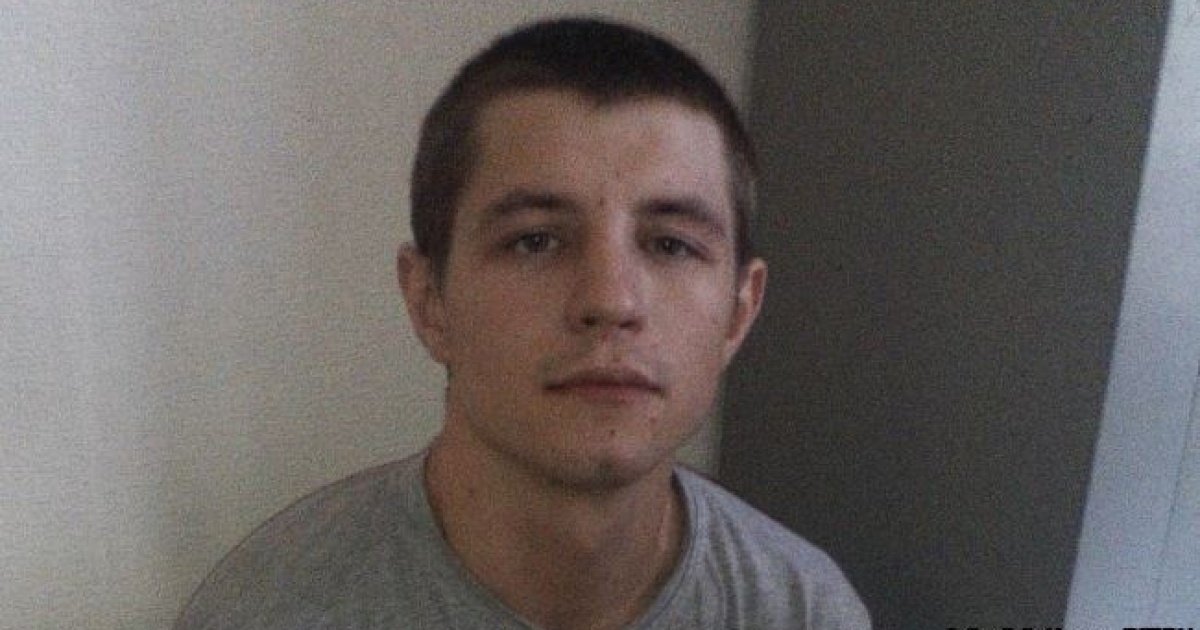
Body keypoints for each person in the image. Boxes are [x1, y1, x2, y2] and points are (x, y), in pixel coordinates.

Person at [174, 17, 870, 630]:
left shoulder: (801, 611)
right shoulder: (271, 611)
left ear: (739, 313)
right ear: (428, 300)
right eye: (535, 240)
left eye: (670, 245)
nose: (611, 300)